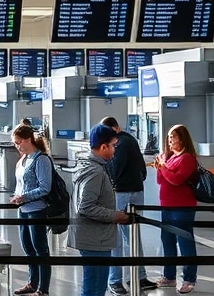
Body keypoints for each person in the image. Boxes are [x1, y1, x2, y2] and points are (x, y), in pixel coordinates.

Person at [69, 125, 128, 296]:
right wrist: (114, 215)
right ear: (104, 147)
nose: (115, 150)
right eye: (113, 146)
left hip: (94, 237)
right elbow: (85, 206)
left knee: (93, 285)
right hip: (96, 240)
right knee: (94, 288)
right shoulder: (95, 172)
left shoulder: (90, 166)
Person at [102, 117, 157, 294]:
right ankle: (139, 277)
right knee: (133, 235)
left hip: (122, 193)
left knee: (118, 237)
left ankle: (115, 279)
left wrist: (110, 184)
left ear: (115, 128)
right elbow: (143, 169)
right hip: (136, 191)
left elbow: (114, 170)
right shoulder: (131, 140)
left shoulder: (119, 144)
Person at [154, 124, 199, 294]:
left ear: (182, 138)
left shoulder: (187, 158)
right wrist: (160, 166)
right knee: (168, 240)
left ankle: (189, 278)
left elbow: (176, 180)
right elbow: (161, 180)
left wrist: (164, 166)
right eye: (169, 137)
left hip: (182, 206)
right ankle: (170, 276)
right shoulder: (171, 157)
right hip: (166, 205)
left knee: (185, 242)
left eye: (173, 136)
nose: (170, 140)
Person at [11, 124, 53, 296]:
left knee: (40, 248)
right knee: (28, 247)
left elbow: (45, 187)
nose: (17, 146)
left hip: (36, 209)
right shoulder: (23, 159)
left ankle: (43, 288)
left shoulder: (41, 159)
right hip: (23, 209)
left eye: (18, 142)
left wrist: (24, 197)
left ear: (28, 140)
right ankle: (32, 282)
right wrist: (17, 197)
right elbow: (20, 184)